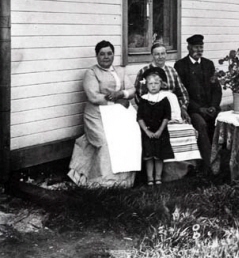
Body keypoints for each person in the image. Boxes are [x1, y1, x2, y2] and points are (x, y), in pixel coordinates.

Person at [68, 40, 142, 188]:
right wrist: (117, 101)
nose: (106, 57)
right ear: (97, 56)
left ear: (114, 55)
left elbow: (132, 90)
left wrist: (122, 93)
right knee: (106, 142)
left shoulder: (120, 71)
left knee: (129, 137)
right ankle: (102, 181)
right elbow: (94, 96)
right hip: (96, 115)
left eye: (109, 53)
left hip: (118, 115)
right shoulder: (91, 73)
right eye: (102, 54)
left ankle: (123, 181)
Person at [174, 34, 222, 168]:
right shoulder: (180, 66)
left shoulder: (208, 64)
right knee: (201, 124)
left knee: (223, 122)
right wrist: (199, 109)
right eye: (196, 47)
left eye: (201, 47)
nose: (199, 50)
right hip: (193, 110)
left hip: (210, 108)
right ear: (188, 47)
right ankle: (209, 165)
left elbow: (217, 89)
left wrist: (213, 106)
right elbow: (181, 93)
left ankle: (225, 159)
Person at [137, 67, 175, 185]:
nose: (153, 86)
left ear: (161, 84)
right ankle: (149, 178)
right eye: (150, 83)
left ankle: (158, 177)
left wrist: (159, 131)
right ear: (146, 85)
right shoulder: (143, 100)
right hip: (147, 132)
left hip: (161, 132)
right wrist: (146, 131)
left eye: (156, 83)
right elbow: (140, 118)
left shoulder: (164, 99)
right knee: (149, 156)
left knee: (159, 156)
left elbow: (166, 117)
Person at [134, 42, 190, 122]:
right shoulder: (144, 72)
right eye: (157, 54)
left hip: (173, 110)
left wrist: (183, 108)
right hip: (152, 111)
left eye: (162, 53)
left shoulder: (172, 71)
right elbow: (139, 96)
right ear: (152, 55)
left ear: (166, 54)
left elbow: (183, 92)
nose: (160, 57)